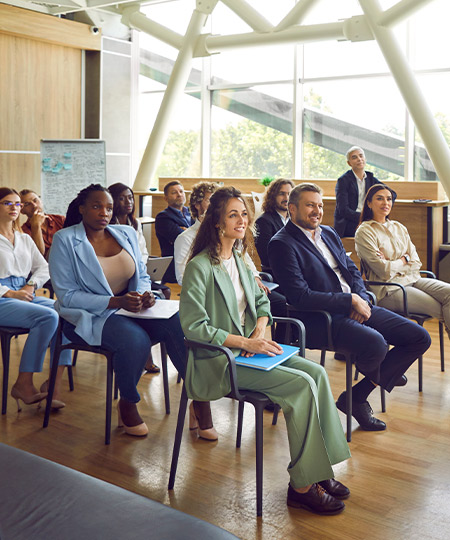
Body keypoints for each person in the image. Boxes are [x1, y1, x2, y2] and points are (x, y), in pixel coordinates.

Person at [180, 186, 351, 515]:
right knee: (301, 386)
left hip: (249, 350)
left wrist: (260, 326)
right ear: (216, 221)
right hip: (219, 360)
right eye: (233, 214)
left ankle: (320, 469)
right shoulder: (200, 267)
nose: (242, 220)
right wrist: (246, 342)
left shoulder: (242, 258)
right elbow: (193, 327)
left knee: (315, 372)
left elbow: (261, 301)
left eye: (244, 213)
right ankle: (302, 485)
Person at [269, 183, 431, 432]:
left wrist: (360, 297)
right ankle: (382, 371)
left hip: (355, 305)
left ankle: (356, 397)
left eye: (320, 205)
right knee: (376, 345)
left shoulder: (328, 233)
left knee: (419, 337)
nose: (317, 211)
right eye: (310, 205)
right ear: (292, 208)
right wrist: (349, 301)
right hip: (320, 318)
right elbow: (300, 296)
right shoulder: (282, 243)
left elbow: (352, 270)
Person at [48, 184, 206, 438]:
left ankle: (199, 397)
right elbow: (67, 296)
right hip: (88, 316)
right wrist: (115, 302)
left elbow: (142, 275)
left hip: (131, 309)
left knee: (178, 322)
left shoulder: (125, 233)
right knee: (136, 340)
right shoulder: (65, 239)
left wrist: (146, 295)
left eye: (109, 207)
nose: (104, 212)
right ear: (82, 209)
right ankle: (128, 402)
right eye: (97, 206)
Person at [0, 187, 71, 413]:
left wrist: (30, 285)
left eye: (17, 204)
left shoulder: (24, 239)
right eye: (7, 203)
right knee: (48, 315)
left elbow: (44, 267)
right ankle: (23, 383)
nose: (14, 207)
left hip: (24, 292)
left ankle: (54, 384)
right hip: (3, 298)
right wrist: (9, 293)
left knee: (66, 311)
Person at [355, 184, 450, 336]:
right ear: (369, 203)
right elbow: (383, 272)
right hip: (388, 289)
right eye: (379, 199)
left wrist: (395, 263)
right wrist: (404, 260)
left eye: (389, 199)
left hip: (413, 279)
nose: (385, 203)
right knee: (440, 308)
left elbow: (416, 262)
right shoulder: (365, 231)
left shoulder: (399, 227)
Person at [109, 182, 170, 374]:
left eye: (130, 197)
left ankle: (149, 347)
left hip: (139, 272)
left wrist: (143, 265)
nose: (128, 202)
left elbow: (142, 252)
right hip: (120, 279)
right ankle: (145, 353)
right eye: (122, 198)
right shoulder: (109, 227)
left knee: (163, 292)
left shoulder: (134, 224)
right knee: (142, 297)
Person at [334, 147, 395, 238]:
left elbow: (392, 194)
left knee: (385, 233)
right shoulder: (343, 180)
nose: (359, 159)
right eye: (354, 157)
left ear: (365, 159)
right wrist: (365, 217)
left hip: (368, 220)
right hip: (349, 223)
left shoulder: (370, 178)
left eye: (361, 156)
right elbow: (343, 210)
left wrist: (380, 210)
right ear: (349, 163)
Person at [155, 181, 193, 283]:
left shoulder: (193, 213)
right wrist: (192, 232)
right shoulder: (163, 217)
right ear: (166, 198)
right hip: (174, 268)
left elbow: (202, 234)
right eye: (174, 192)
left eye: (181, 191)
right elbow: (181, 238)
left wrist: (186, 231)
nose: (179, 194)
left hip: (194, 263)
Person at [255, 178, 294, 274]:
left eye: (289, 194)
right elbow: (267, 257)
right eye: (282, 194)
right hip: (279, 273)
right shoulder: (263, 221)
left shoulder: (294, 220)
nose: (286, 198)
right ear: (272, 196)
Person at [19, 189, 65, 259]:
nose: (34, 205)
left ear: (41, 201)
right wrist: (36, 226)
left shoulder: (60, 219)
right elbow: (38, 256)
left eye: (35, 200)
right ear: (22, 210)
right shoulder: (22, 232)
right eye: (27, 204)